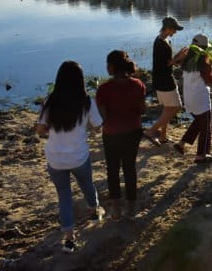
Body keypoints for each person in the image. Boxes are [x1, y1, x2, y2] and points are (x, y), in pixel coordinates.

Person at [37, 61, 104, 253]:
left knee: (64, 196)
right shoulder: (86, 101)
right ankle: (94, 212)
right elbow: (98, 126)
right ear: (80, 80)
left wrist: (50, 130)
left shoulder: (50, 101)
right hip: (78, 156)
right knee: (87, 185)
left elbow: (40, 130)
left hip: (55, 158)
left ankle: (69, 239)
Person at [96, 50, 146, 220]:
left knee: (113, 169)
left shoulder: (103, 89)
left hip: (112, 133)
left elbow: (103, 117)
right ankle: (131, 208)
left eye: (107, 65)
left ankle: (116, 209)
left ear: (111, 67)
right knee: (130, 168)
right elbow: (142, 110)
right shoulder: (138, 84)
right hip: (133, 131)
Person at [174, 34, 212, 164]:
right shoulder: (203, 63)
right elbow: (210, 80)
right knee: (206, 128)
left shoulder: (186, 60)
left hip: (189, 98)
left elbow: (176, 62)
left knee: (199, 122)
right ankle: (201, 155)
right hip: (201, 99)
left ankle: (181, 143)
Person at [145, 16, 185, 146]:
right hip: (165, 79)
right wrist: (179, 57)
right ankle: (151, 131)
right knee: (177, 106)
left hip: (161, 78)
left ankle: (162, 136)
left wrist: (177, 57)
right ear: (167, 29)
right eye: (174, 30)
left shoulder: (164, 40)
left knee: (168, 108)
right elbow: (166, 65)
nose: (175, 32)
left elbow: (168, 61)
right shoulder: (161, 43)